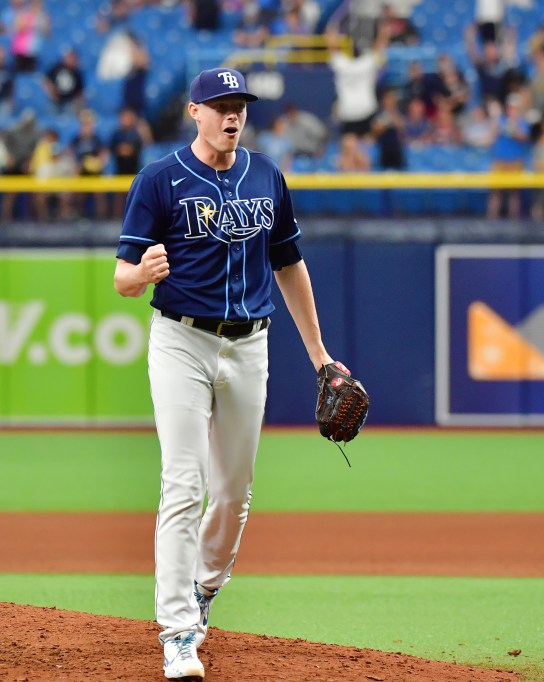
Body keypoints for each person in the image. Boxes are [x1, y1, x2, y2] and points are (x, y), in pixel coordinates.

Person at [113, 67, 339, 682]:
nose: (231, 113)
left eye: (239, 103)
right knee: (183, 483)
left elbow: (289, 264)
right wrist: (143, 273)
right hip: (181, 341)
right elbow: (122, 279)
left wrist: (319, 355)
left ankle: (205, 588)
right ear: (195, 112)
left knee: (234, 493)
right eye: (220, 104)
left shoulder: (267, 175)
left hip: (250, 346)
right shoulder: (159, 180)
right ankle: (178, 633)